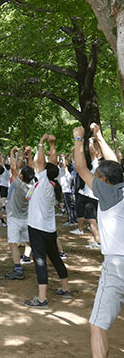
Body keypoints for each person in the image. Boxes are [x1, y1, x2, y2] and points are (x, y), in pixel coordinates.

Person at [73, 123, 124, 358]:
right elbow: (115, 165)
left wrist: (78, 138)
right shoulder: (119, 186)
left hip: (116, 267)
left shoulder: (107, 192)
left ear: (103, 180)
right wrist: (100, 137)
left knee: (97, 325)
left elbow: (81, 167)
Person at [24, 134, 70, 307]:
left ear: (44, 171)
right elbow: (52, 163)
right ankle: (65, 289)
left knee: (40, 261)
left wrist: (41, 143)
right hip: (50, 230)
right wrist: (53, 144)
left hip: (37, 228)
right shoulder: (53, 182)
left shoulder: (43, 181)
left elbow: (45, 162)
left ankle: (42, 299)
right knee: (55, 258)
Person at [4, 146, 34, 280]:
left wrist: (12, 152)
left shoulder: (18, 184)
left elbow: (13, 168)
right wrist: (29, 155)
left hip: (14, 218)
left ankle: (18, 269)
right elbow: (32, 170)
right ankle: (41, 261)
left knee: (13, 243)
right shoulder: (32, 186)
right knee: (30, 241)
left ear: (21, 176)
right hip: (27, 219)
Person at [71, 139, 102, 249]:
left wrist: (90, 142)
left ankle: (98, 242)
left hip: (91, 198)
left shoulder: (96, 166)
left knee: (92, 221)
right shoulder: (105, 168)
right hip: (97, 197)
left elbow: (93, 153)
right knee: (95, 220)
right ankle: (98, 240)